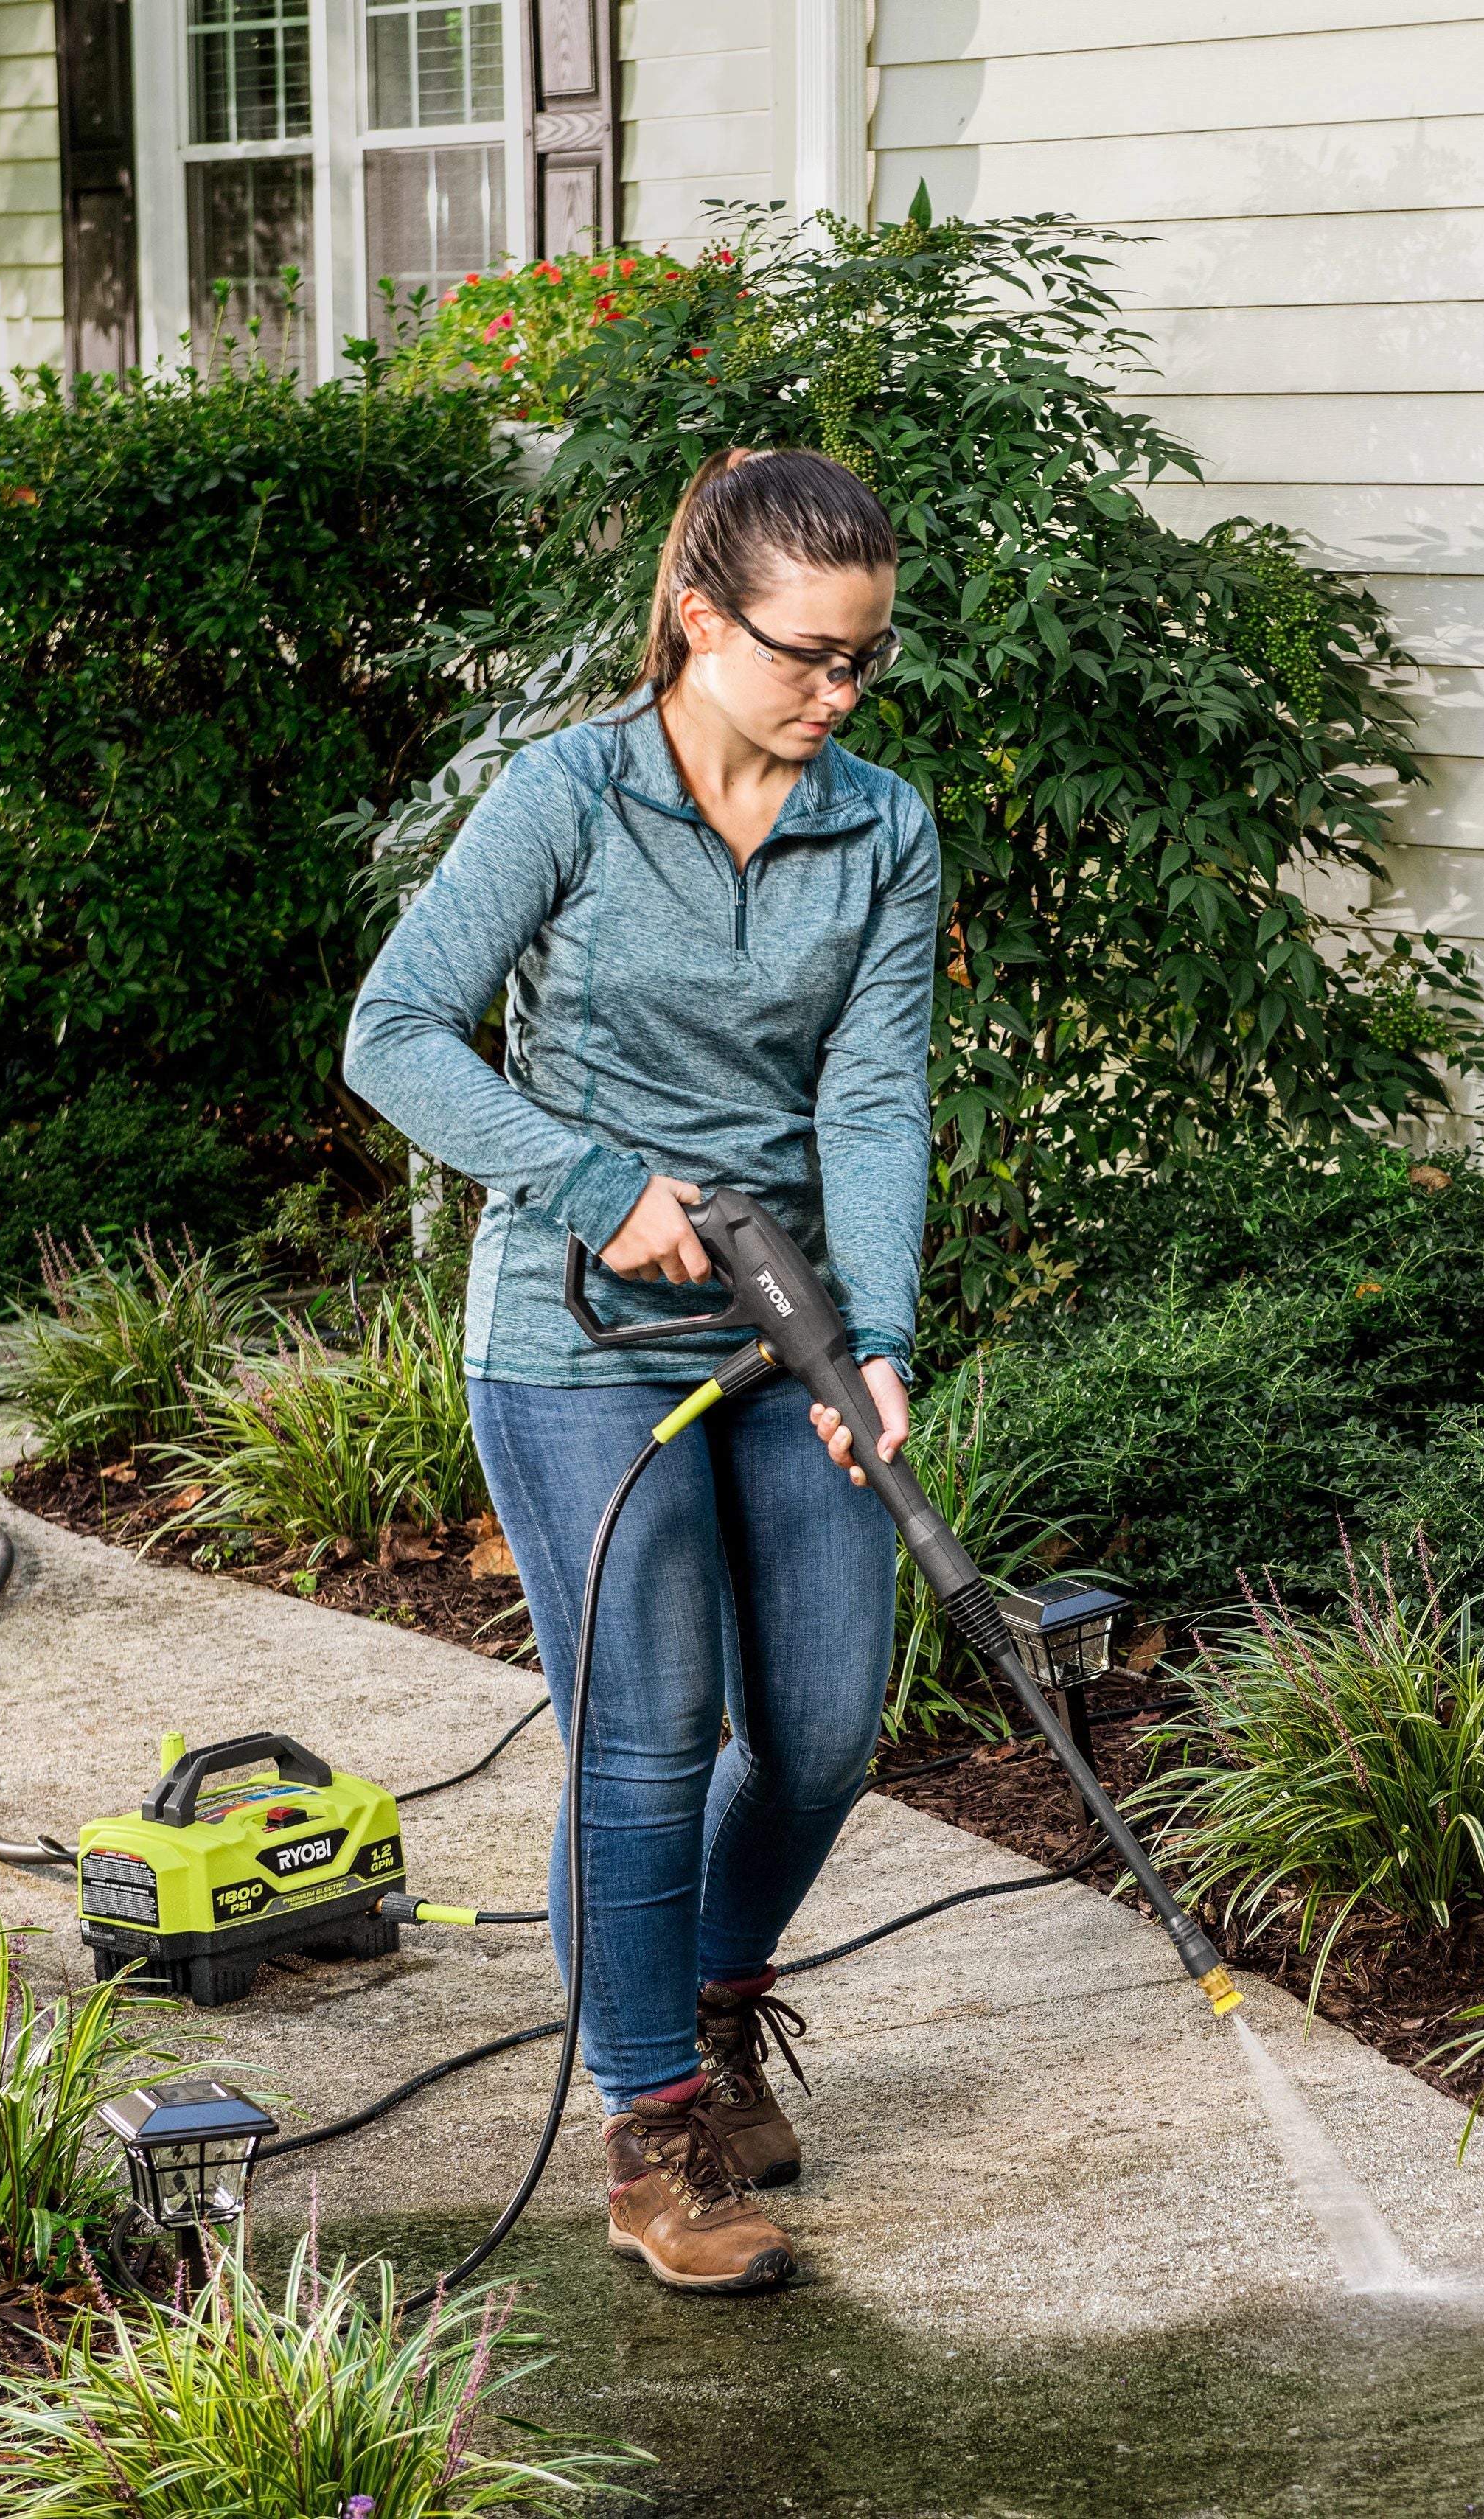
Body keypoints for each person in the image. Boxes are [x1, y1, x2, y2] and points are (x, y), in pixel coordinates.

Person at [341, 446, 933, 2296]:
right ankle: (651, 2124)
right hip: (579, 1332)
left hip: (784, 1325)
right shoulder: (568, 796)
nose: (836, 697)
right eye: (805, 656)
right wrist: (596, 1185)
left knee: (830, 1717)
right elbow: (394, 1031)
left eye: (863, 663)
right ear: (698, 619)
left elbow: (872, 1090)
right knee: (654, 1731)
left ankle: (706, 1988)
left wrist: (875, 1337)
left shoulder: (880, 826)